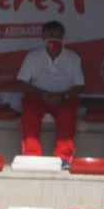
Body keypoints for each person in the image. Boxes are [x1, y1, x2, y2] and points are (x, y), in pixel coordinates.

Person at [15, 20, 84, 169]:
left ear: (63, 36)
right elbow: (21, 82)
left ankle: (64, 157)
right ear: (43, 37)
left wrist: (63, 96)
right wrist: (41, 94)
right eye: (51, 35)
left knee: (68, 112)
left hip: (63, 97)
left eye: (58, 35)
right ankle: (31, 155)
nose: (55, 38)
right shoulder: (33, 56)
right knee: (29, 109)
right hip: (38, 96)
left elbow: (79, 85)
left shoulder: (72, 57)